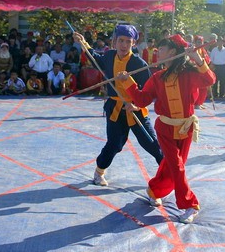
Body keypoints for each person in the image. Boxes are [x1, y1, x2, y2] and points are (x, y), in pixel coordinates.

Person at [116, 34, 216, 224]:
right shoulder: (157, 77)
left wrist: (197, 59)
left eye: (161, 49)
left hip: (186, 127)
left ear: (172, 52)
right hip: (165, 128)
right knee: (176, 166)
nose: (157, 51)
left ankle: (155, 190)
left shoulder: (188, 74)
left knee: (172, 167)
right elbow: (142, 100)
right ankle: (189, 205)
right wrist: (127, 82)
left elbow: (209, 79)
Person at [73, 25, 163, 187]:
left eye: (128, 42)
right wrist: (83, 43)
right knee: (115, 144)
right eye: (120, 41)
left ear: (133, 43)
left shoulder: (138, 63)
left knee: (150, 142)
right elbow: (95, 59)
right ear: (114, 42)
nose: (123, 45)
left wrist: (135, 104)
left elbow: (150, 90)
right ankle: (99, 171)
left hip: (136, 108)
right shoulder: (109, 56)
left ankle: (168, 174)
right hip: (115, 107)